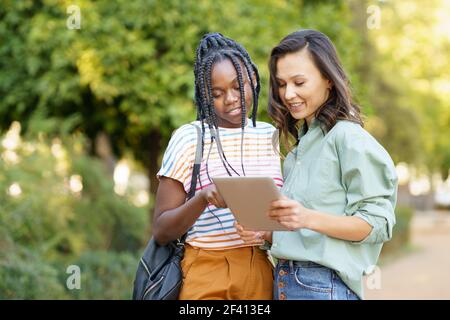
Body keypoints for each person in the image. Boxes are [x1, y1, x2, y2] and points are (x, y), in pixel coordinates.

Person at [236, 29, 398, 300]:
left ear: (328, 80)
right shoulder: (301, 146)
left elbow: (378, 224)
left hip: (323, 287)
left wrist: (307, 217)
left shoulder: (348, 138)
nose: (288, 94)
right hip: (286, 282)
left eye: (299, 82)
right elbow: (309, 239)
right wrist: (265, 234)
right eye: (282, 84)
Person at [152, 33, 283, 300]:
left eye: (238, 86)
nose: (231, 98)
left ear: (254, 80)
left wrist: (264, 229)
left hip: (259, 266)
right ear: (204, 96)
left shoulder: (270, 135)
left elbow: (281, 212)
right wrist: (202, 198)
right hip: (205, 268)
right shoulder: (189, 138)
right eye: (217, 93)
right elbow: (162, 230)